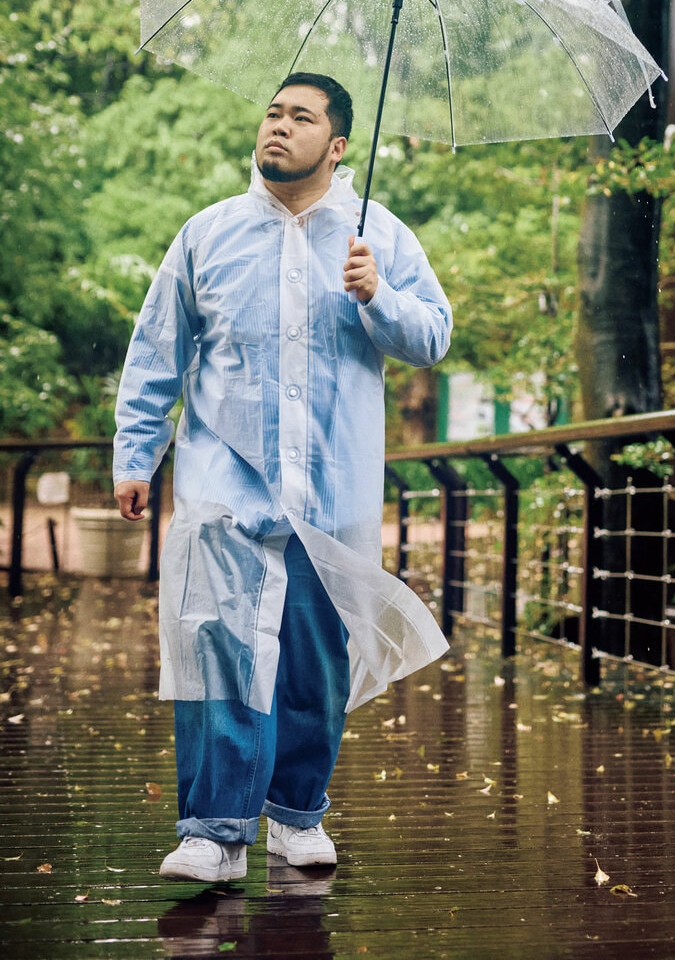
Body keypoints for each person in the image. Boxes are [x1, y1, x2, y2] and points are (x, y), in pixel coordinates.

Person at [113, 72, 452, 883]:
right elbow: (159, 351)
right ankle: (211, 830)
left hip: (329, 493)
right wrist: (136, 453)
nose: (278, 127)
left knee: (312, 662)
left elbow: (433, 336)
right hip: (220, 485)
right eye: (272, 112)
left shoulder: (382, 237)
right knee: (215, 649)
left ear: (336, 146)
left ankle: (297, 814)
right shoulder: (207, 234)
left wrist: (379, 297)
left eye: (300, 117)